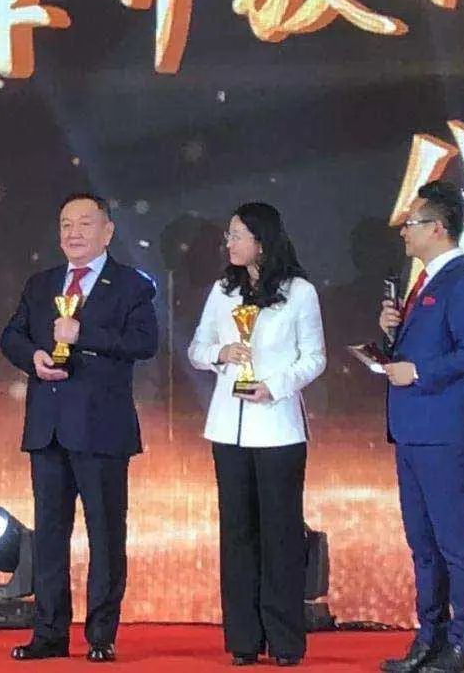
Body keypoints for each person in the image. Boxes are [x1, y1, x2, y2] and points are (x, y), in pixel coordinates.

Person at [0, 193, 157, 663]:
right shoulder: (41, 284)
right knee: (49, 536)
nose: (74, 233)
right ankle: (49, 633)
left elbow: (144, 342)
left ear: (108, 231)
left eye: (85, 224)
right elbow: (11, 336)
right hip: (47, 428)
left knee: (105, 535)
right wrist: (33, 356)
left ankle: (101, 636)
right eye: (66, 224)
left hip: (102, 429)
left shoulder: (131, 285)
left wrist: (81, 335)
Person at [187, 202, 326, 667]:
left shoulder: (299, 292)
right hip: (228, 428)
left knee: (281, 534)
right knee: (237, 533)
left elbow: (315, 358)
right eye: (228, 235)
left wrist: (275, 386)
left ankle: (285, 640)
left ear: (262, 241)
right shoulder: (222, 290)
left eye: (238, 235)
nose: (229, 243)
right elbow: (196, 348)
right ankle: (243, 639)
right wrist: (219, 353)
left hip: (278, 428)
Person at [378, 180, 464, 673]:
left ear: (438, 228)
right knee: (422, 544)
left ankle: (462, 643)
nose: (404, 231)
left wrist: (419, 371)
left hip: (444, 430)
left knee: (452, 542)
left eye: (412, 223)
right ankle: (428, 639)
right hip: (412, 429)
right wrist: (391, 334)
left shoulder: (462, 282)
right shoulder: (423, 282)